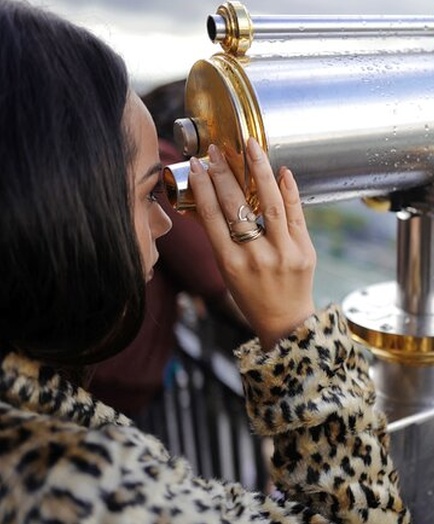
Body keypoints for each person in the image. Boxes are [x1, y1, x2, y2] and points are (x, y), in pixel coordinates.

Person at [0, 2, 410, 522]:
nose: (165, 221)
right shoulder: (79, 487)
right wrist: (294, 329)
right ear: (56, 206)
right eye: (151, 193)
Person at [87, 79, 251, 418]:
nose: (161, 222)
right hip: (112, 384)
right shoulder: (164, 164)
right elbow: (214, 274)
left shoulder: (138, 157)